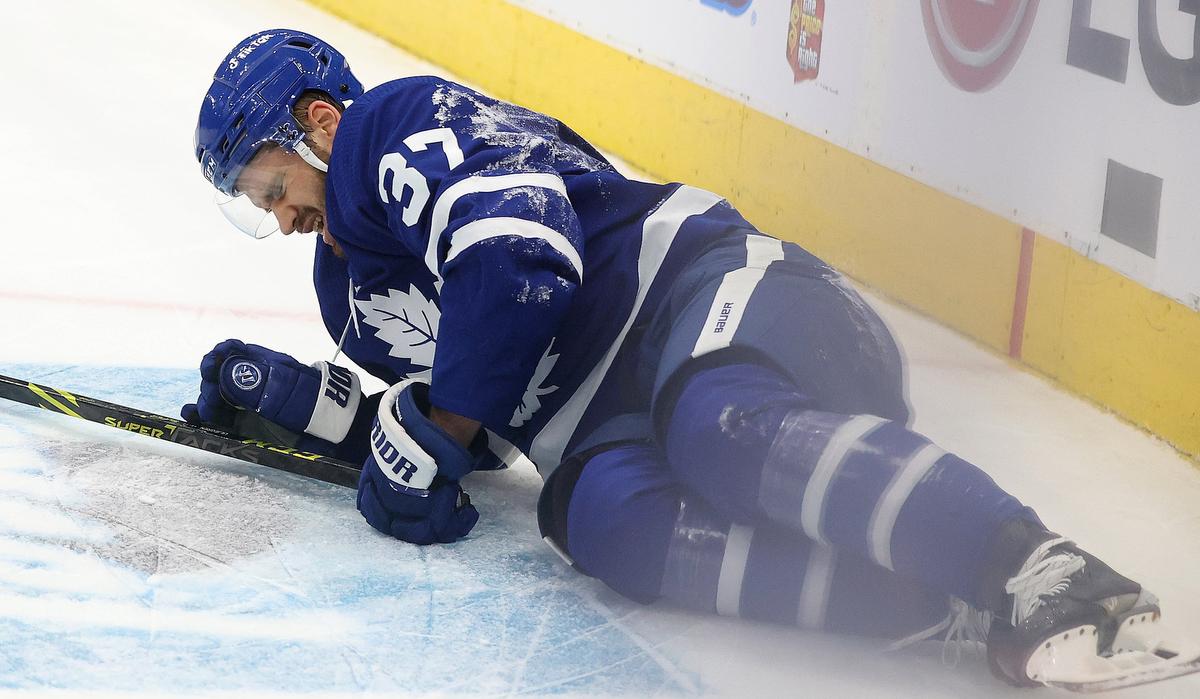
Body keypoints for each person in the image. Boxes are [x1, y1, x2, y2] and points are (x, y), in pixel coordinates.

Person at [186, 29, 1191, 689]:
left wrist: (440, 431)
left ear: (318, 123)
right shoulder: (346, 289)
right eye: (259, 208)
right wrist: (314, 412)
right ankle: (935, 600)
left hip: (714, 300)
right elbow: (470, 423)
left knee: (718, 429)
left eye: (273, 188)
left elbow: (523, 260)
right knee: (600, 522)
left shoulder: (386, 133)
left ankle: (1048, 575)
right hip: (619, 414)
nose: (280, 222)